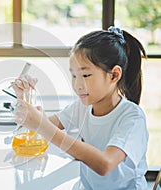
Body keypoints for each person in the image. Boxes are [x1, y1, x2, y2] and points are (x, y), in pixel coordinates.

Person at [12, 26, 149, 190]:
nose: (77, 85)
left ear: (114, 75)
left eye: (85, 75)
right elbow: (37, 132)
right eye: (74, 75)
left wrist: (42, 125)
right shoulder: (82, 108)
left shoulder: (132, 118)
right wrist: (25, 99)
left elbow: (105, 164)